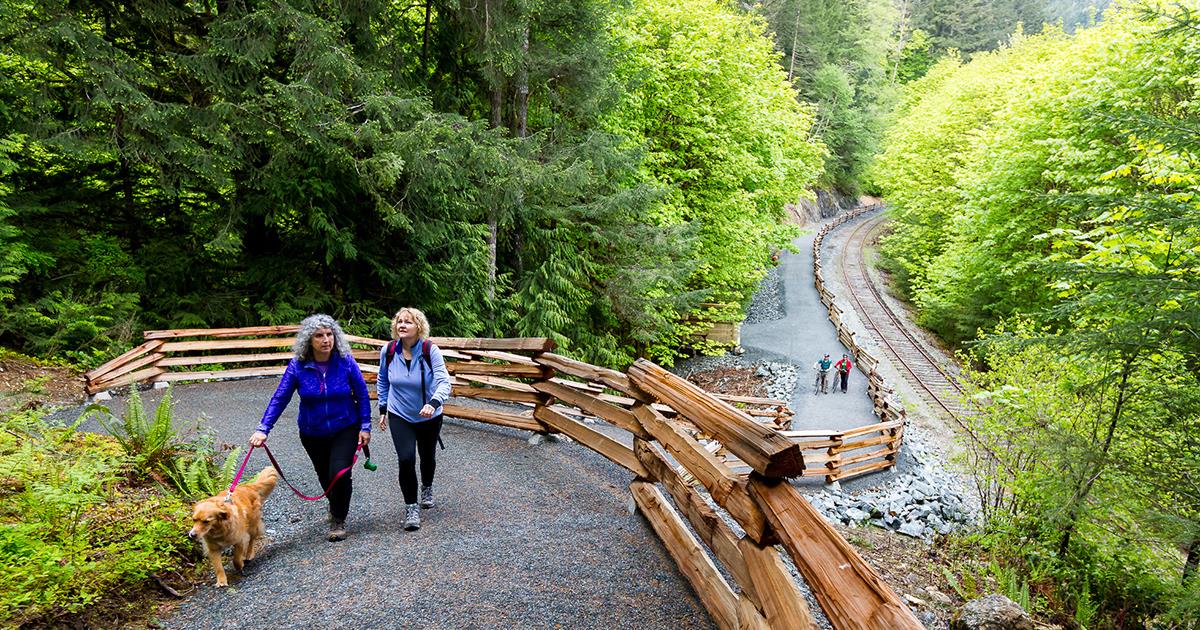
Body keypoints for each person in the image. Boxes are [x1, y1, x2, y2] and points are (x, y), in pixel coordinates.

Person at [250, 314, 371, 542]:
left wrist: (365, 425)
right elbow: (280, 397)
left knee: (340, 472)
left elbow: (362, 395)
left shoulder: (345, 361)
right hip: (312, 431)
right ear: (309, 340)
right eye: (319, 335)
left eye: (329, 334)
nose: (326, 340)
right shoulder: (298, 366)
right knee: (325, 476)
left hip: (345, 426)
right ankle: (335, 504)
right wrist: (263, 428)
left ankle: (338, 519)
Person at [377, 307, 451, 532]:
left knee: (427, 456)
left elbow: (444, 381)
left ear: (419, 326)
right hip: (400, 414)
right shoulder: (388, 351)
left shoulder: (430, 350)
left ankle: (426, 487)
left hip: (429, 415)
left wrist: (434, 403)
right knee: (406, 459)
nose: (402, 325)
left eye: (408, 322)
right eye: (399, 321)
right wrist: (383, 409)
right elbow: (382, 380)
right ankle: (411, 508)